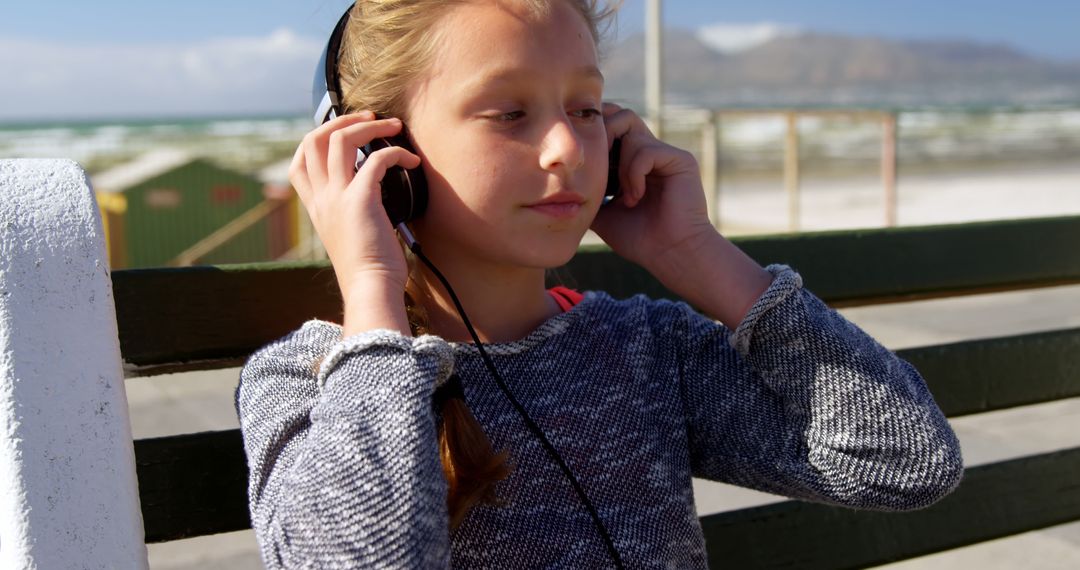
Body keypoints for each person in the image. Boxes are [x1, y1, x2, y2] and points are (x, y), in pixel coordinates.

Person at [235, 0, 964, 568]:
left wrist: (697, 254)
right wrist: (370, 288)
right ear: (380, 153)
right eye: (509, 113)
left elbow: (905, 460)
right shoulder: (310, 383)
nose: (566, 148)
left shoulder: (648, 348)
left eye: (585, 109)